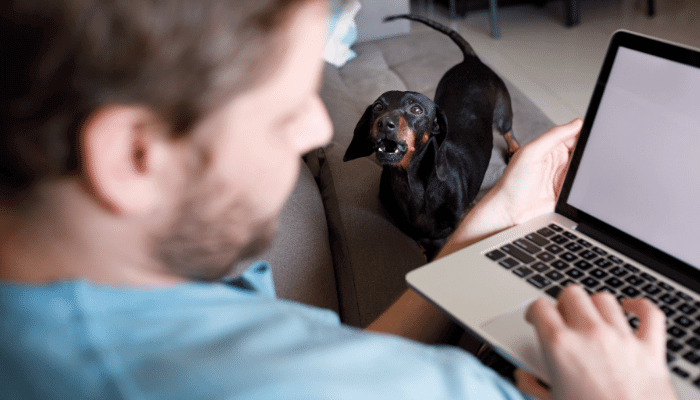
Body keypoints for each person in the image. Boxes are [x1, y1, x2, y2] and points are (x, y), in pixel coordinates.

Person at [0, 0, 677, 399]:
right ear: (131, 156)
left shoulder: (122, 290)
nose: (321, 131)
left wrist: (487, 224)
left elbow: (332, 356)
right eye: (287, 109)